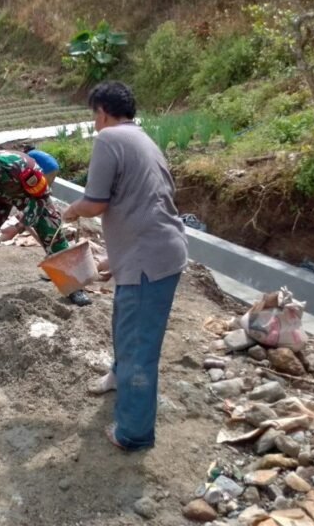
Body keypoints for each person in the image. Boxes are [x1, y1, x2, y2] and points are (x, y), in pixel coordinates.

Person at [62, 81, 188, 452]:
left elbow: (96, 201)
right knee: (124, 321)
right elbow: (141, 202)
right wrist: (113, 259)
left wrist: (71, 210)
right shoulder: (141, 138)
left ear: (101, 112)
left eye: (94, 117)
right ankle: (118, 376)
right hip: (153, 251)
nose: (95, 125)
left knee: (139, 348)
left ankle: (133, 433)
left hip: (150, 260)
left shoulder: (108, 139)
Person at [0, 149, 91, 309]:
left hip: (29, 195)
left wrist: (18, 226)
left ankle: (74, 286)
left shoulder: (21, 166)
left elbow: (41, 197)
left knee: (51, 231)